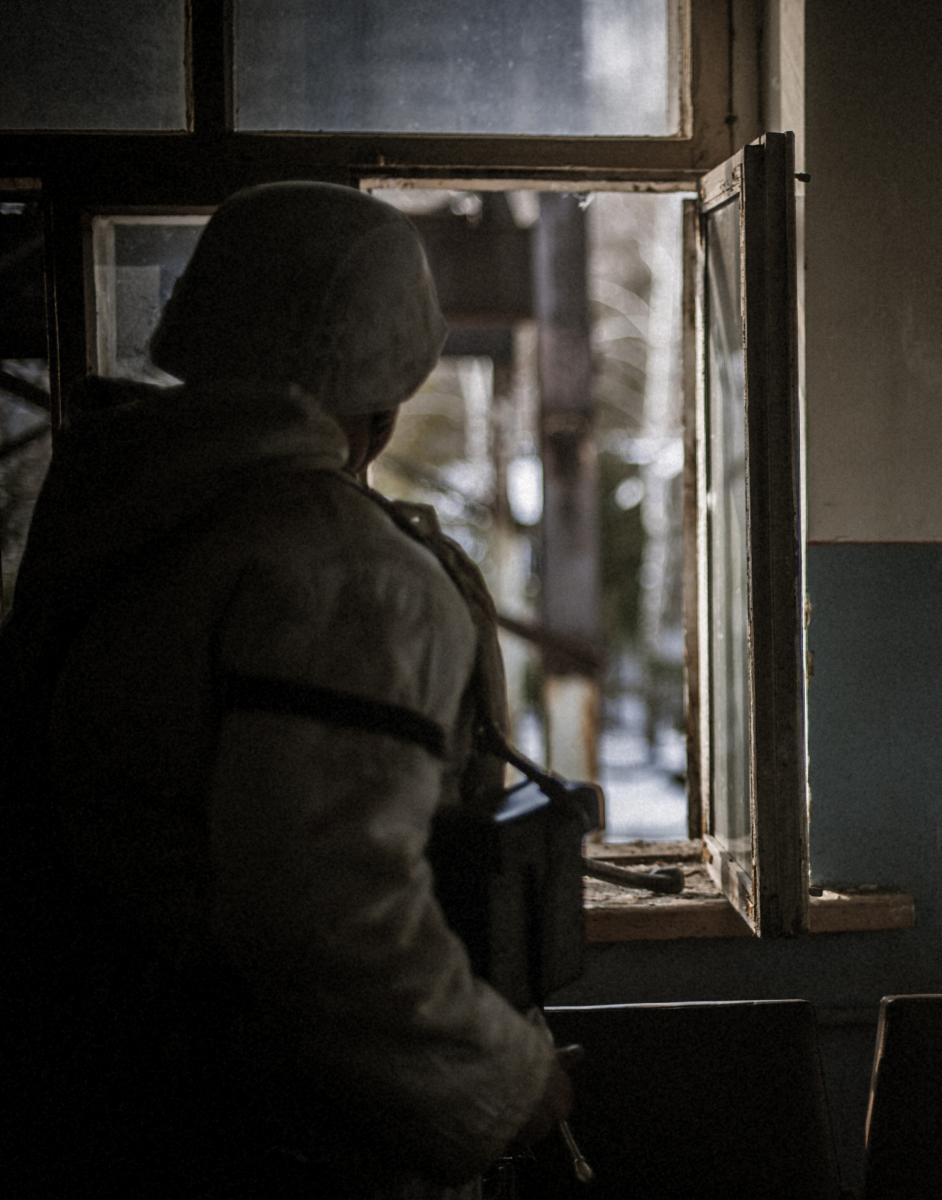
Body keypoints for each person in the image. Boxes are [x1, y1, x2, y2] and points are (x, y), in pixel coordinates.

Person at [0, 182, 572, 1197]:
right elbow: (333, 927)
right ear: (392, 390)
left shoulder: (113, 518)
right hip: (286, 1140)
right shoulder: (341, 568)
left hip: (109, 1108)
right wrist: (511, 1087)